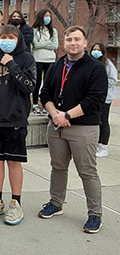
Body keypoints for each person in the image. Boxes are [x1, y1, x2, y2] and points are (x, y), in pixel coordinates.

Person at [38, 26, 107, 234]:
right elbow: (45, 93)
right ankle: (55, 203)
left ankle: (95, 214)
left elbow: (95, 100)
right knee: (58, 167)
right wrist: (55, 114)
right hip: (57, 126)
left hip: (83, 128)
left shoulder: (95, 68)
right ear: (64, 43)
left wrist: (67, 115)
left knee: (87, 172)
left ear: (85, 43)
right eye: (69, 39)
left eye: (77, 39)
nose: (73, 43)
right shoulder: (58, 65)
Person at [0, 25, 36, 226]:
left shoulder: (26, 58)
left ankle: (16, 202)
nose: (7, 40)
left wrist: (12, 65)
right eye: (3, 37)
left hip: (15, 120)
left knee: (14, 162)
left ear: (18, 39)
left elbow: (29, 86)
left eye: (11, 37)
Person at [90, 43, 117, 157]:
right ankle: (96, 144)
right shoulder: (89, 62)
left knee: (103, 121)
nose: (96, 51)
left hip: (105, 98)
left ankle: (104, 146)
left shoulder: (108, 64)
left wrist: (101, 84)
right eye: (94, 49)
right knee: (95, 121)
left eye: (98, 50)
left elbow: (113, 80)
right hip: (93, 97)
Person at [31, 9, 58, 115]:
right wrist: (48, 44)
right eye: (46, 15)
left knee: (48, 83)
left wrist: (43, 43)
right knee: (37, 83)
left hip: (50, 59)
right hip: (37, 59)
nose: (48, 17)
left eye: (49, 16)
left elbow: (55, 45)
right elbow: (35, 45)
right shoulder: (34, 30)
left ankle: (46, 104)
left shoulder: (53, 31)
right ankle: (35, 104)